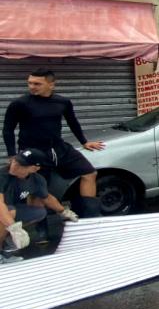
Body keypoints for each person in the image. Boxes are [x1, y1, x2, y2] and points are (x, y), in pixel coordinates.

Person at [3, 69, 105, 217]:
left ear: (51, 85)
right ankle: (40, 226)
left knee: (89, 173)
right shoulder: (19, 104)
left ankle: (90, 216)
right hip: (33, 152)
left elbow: (73, 122)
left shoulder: (63, 102)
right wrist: (12, 155)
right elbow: (8, 130)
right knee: (37, 192)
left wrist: (84, 142)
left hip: (59, 148)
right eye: (30, 83)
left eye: (37, 84)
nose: (32, 87)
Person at [1, 148, 79, 256]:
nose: (14, 165)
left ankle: (5, 241)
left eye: (22, 164)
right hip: (4, 210)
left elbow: (47, 198)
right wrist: (15, 229)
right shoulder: (2, 176)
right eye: (16, 161)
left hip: (8, 211)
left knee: (39, 211)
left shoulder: (36, 180)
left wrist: (63, 211)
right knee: (9, 212)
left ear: (34, 168)